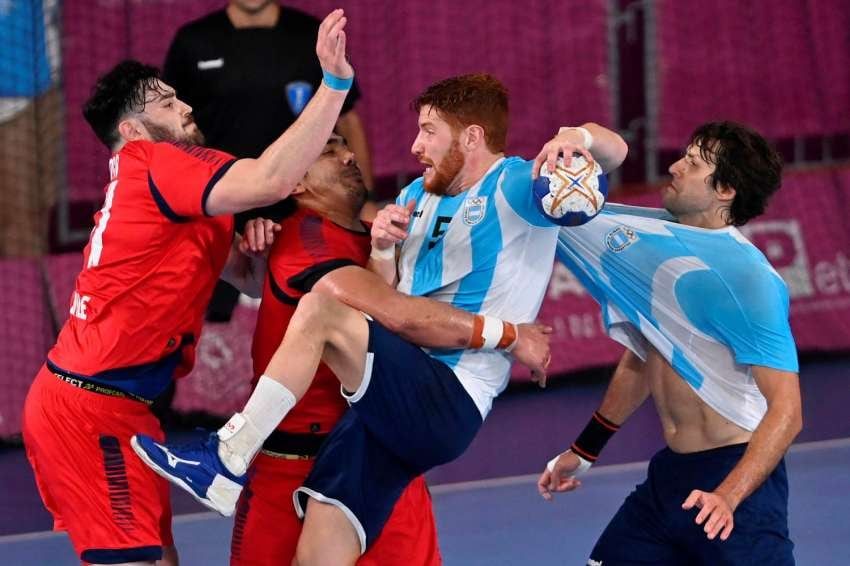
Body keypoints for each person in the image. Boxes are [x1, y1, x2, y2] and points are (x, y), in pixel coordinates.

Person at [133, 73, 629, 565]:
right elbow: (384, 298)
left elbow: (614, 153)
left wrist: (577, 138)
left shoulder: (516, 185)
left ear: (471, 136)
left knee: (322, 309)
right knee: (318, 553)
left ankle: (228, 456)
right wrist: (383, 249)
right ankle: (229, 459)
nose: (415, 146)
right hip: (383, 406)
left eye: (428, 131)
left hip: (449, 392)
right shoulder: (414, 197)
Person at [21, 10, 355, 565]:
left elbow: (247, 280)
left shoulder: (183, 184)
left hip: (126, 410)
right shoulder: (150, 161)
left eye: (180, 97)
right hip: (87, 410)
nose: (186, 107)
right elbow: (271, 178)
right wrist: (334, 84)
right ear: (131, 132)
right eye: (168, 103)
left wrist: (256, 240)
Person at [538, 121, 801, 565]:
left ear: (726, 191)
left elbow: (788, 413)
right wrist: (585, 450)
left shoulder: (748, 279)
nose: (675, 167)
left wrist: (728, 496)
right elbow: (646, 355)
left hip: (735, 483)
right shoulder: (663, 245)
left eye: (694, 164)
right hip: (670, 481)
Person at [231, 134, 440, 565]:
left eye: (347, 146)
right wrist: (505, 335)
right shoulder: (302, 241)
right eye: (328, 151)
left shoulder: (376, 237)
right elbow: (390, 315)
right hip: (288, 472)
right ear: (294, 183)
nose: (349, 155)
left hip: (377, 461)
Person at [164, 0, 375, 322]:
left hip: (305, 207)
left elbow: (347, 120)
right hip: (222, 209)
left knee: (313, 316)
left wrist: (364, 198)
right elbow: (171, 134)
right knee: (212, 326)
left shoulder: (309, 35)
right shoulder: (193, 41)